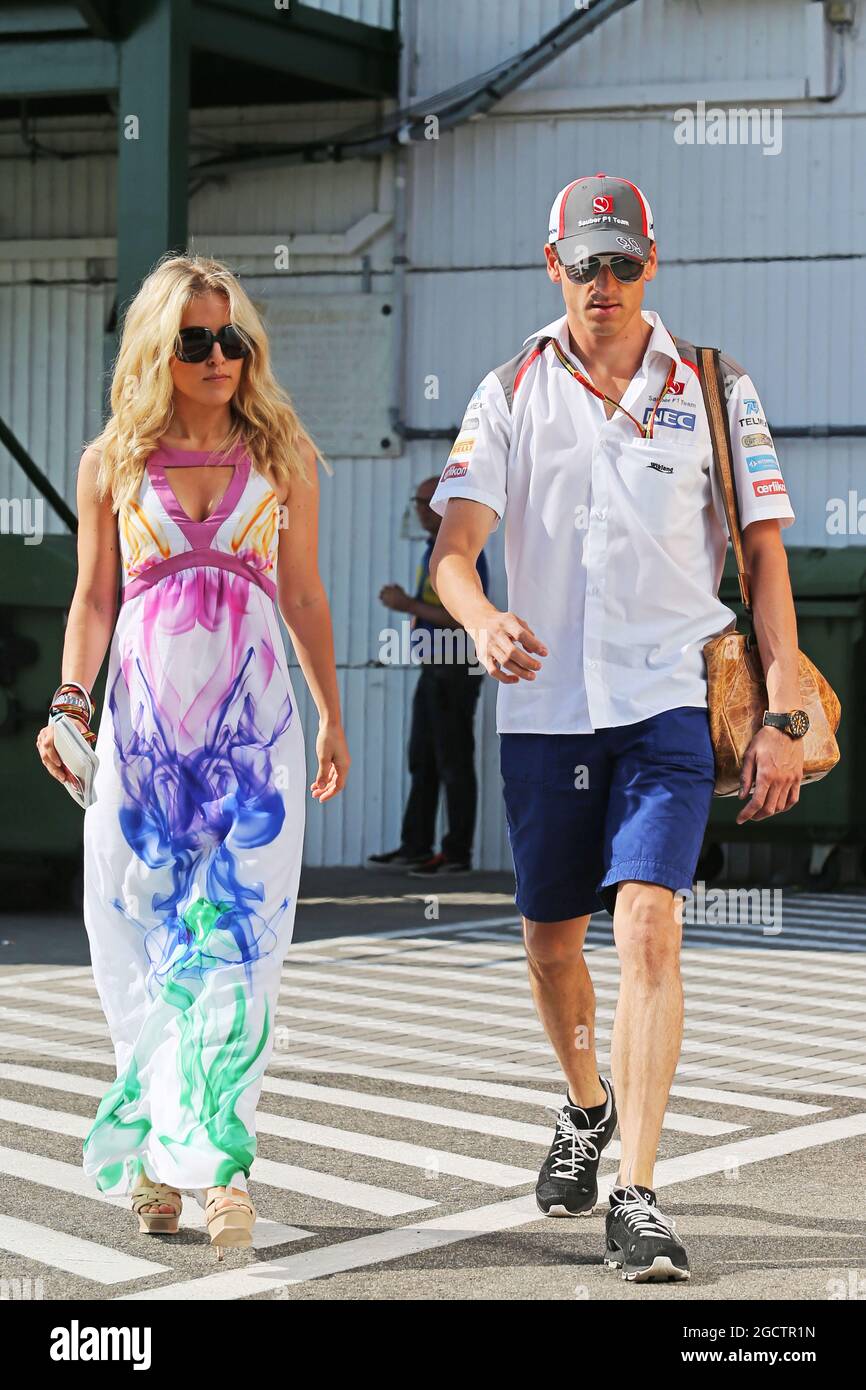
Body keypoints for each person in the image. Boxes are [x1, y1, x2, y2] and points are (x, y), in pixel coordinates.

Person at [428, 174, 805, 1282]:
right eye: (583, 262)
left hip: (664, 705)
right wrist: (482, 616)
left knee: (645, 924)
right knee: (551, 944)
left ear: (653, 260)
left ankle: (634, 1191)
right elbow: (453, 550)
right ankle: (583, 1104)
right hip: (545, 714)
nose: (603, 282)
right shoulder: (506, 390)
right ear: (552, 264)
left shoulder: (714, 388)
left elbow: (765, 563)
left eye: (622, 261)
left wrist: (779, 712)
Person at [36, 254, 349, 1256]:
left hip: (253, 742)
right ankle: (155, 1151)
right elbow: (94, 599)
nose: (220, 357)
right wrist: (68, 704)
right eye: (196, 341)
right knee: (134, 937)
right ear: (158, 353)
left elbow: (301, 594)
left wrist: (331, 712)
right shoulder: (110, 461)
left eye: (234, 339)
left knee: (237, 949)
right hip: (140, 744)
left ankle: (218, 1167)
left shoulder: (282, 455)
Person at [368, 475, 489, 876]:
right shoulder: (433, 551)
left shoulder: (462, 553)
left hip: (454, 668)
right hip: (434, 667)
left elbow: (463, 616)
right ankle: (416, 845)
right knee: (423, 758)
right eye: (418, 502)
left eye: (425, 503)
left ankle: (456, 854)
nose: (419, 511)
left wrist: (408, 605)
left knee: (453, 761)